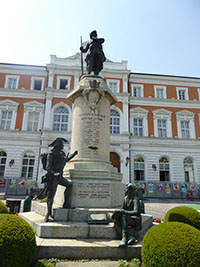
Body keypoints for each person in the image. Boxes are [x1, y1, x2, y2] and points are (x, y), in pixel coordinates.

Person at [44, 137, 78, 222]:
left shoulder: (60, 154)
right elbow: (47, 167)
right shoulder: (51, 154)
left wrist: (73, 155)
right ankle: (48, 215)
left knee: (69, 185)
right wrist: (54, 173)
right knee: (51, 196)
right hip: (52, 178)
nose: (62, 146)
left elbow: (65, 161)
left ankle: (66, 204)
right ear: (57, 145)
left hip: (59, 177)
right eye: (61, 144)